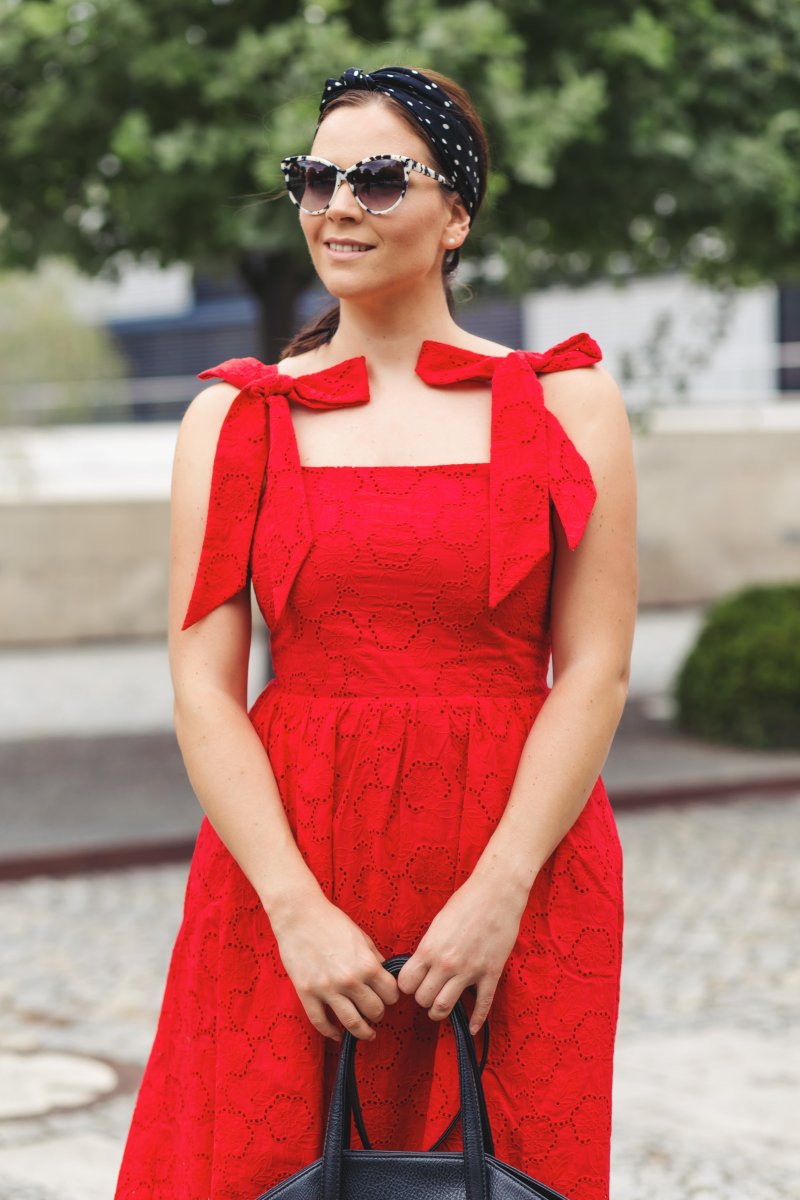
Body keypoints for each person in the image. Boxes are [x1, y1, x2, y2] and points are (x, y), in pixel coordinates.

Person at [115, 64, 637, 1200]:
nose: (336, 204)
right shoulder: (234, 416)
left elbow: (593, 669)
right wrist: (295, 912)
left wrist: (500, 891)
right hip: (289, 870)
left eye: (377, 177)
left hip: (520, 865)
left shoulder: (568, 402)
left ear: (456, 215)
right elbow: (201, 688)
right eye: (315, 176)